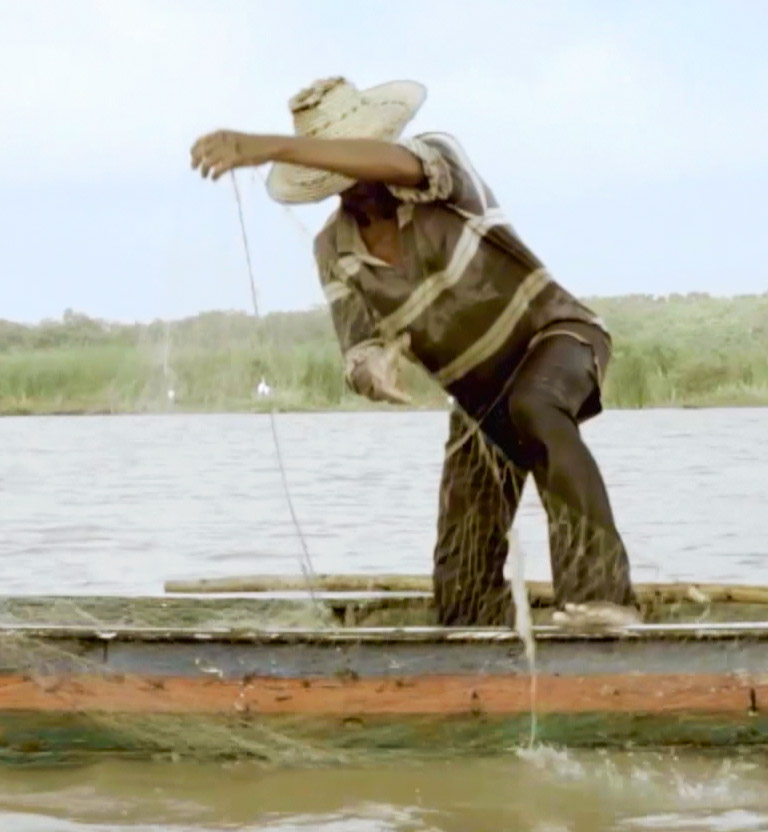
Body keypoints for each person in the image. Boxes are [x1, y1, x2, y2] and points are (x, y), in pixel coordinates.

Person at [191, 77, 639, 629]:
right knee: (460, 584)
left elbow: (394, 164)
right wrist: (371, 371)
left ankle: (604, 597)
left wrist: (271, 147)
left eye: (349, 161)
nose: (353, 182)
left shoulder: (436, 169)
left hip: (557, 339)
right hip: (481, 402)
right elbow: (358, 348)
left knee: (536, 408)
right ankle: (481, 648)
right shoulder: (333, 249)